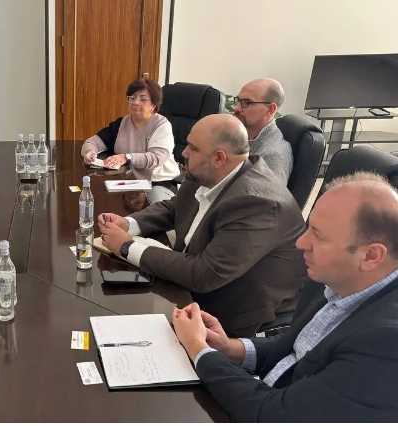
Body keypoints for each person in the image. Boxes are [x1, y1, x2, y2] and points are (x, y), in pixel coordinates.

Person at [172, 172, 398, 422]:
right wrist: (228, 348)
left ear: (370, 256)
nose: (301, 243)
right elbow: (303, 349)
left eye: (318, 235)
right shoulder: (337, 277)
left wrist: (198, 348)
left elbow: (274, 414)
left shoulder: (386, 345)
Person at [98, 114, 305, 337]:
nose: (184, 153)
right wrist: (130, 223)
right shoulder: (207, 171)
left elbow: (203, 274)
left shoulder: (257, 203)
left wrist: (127, 247)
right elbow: (175, 207)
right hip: (191, 283)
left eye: (192, 148)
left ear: (219, 158)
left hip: (232, 313)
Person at [80, 78, 181, 203]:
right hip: (131, 180)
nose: (136, 102)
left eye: (143, 99)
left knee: (156, 210)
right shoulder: (121, 124)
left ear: (153, 105)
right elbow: (93, 141)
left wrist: (126, 157)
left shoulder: (161, 125)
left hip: (159, 182)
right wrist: (89, 152)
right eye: (132, 98)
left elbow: (156, 158)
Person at [232, 78, 293, 183]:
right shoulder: (240, 135)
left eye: (247, 102)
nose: (236, 108)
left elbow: (268, 193)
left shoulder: (273, 156)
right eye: (238, 100)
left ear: (270, 109)